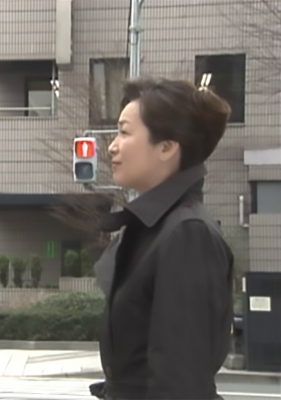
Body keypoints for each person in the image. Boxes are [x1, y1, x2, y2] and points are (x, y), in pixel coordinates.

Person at [92, 78, 234, 400]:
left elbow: (180, 380)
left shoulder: (188, 233)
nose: (112, 146)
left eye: (124, 132)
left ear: (167, 148)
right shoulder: (157, 226)